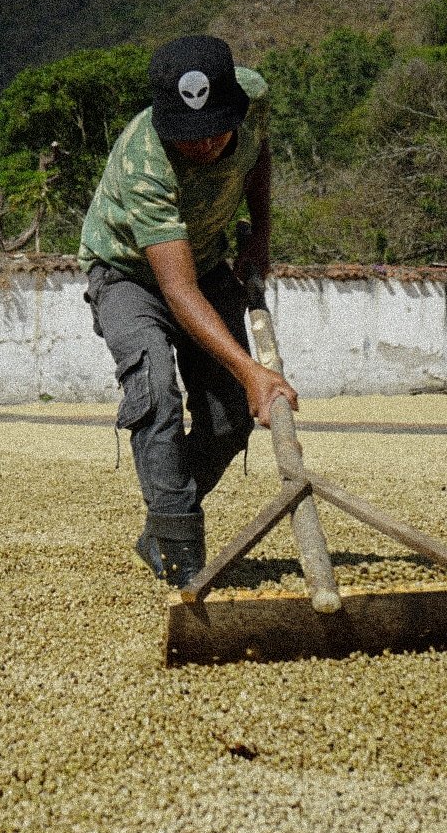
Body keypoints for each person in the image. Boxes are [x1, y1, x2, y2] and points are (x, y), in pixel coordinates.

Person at [79, 34, 298, 588]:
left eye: (214, 130)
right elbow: (176, 291)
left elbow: (258, 153)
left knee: (227, 416)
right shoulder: (144, 162)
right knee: (153, 386)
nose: (202, 145)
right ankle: (182, 556)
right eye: (187, 135)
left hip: (205, 262)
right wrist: (254, 371)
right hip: (129, 274)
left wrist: (261, 235)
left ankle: (162, 520)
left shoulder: (254, 97)